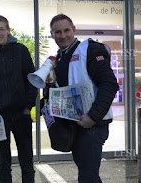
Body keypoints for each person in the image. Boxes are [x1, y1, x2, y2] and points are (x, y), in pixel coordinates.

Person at [49, 14, 119, 182]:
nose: (63, 35)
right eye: (58, 32)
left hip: (92, 126)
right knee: (87, 173)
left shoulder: (90, 49)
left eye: (66, 30)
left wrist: (93, 117)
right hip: (76, 125)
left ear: (74, 30)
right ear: (52, 34)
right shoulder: (59, 57)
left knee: (88, 176)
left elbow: (109, 84)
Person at [0, 15, 38, 183]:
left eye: (1, 29)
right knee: (3, 164)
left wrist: (28, 106)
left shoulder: (21, 50)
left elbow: (31, 79)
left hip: (21, 114)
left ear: (8, 30)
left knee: (26, 161)